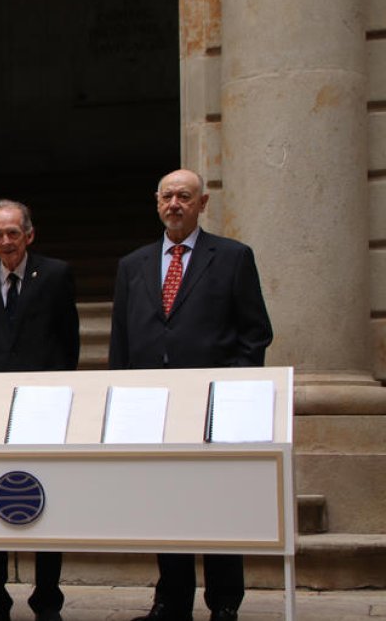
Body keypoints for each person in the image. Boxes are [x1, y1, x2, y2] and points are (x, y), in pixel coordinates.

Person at [111, 169, 273, 621]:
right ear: (157, 202)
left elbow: (255, 332)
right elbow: (121, 340)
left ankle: (224, 602)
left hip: (212, 406)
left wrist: (233, 388)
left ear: (202, 203)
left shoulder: (233, 257)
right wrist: (121, 394)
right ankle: (172, 601)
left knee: (217, 504)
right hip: (153, 408)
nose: (174, 204)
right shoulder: (133, 265)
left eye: (184, 196)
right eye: (167, 196)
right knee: (165, 504)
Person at [0, 200, 79, 621]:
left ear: (29, 235)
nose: (6, 241)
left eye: (13, 232)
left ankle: (47, 599)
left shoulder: (56, 274)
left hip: (44, 405)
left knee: (45, 503)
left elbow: (69, 343)